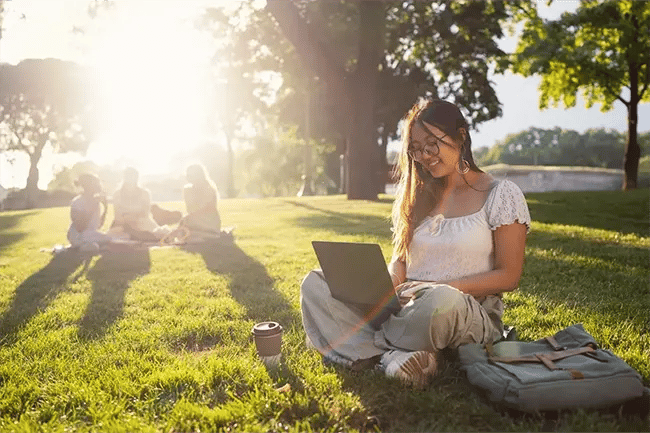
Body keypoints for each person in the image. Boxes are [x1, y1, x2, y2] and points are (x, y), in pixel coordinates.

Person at [300, 98, 531, 387]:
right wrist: (385, 288)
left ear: (460, 136)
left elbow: (508, 276)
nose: (424, 155)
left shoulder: (501, 193)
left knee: (440, 302)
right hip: (405, 305)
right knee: (315, 283)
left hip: (462, 308)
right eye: (416, 149)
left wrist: (438, 289)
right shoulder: (418, 196)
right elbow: (401, 260)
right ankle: (393, 358)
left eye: (431, 144)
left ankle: (356, 347)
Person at [109, 167, 169, 241]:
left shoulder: (145, 193)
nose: (131, 178)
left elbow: (145, 214)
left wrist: (134, 220)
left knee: (158, 235)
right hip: (122, 224)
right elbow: (117, 216)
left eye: (133, 176)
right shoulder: (117, 194)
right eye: (128, 176)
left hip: (141, 222)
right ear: (124, 178)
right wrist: (127, 220)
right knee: (117, 236)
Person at [67, 173, 112, 252]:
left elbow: (97, 227)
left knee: (110, 238)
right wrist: (92, 206)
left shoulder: (96, 202)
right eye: (96, 183)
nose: (99, 186)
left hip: (89, 235)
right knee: (109, 239)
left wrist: (105, 208)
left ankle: (91, 246)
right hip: (77, 236)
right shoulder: (77, 202)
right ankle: (84, 247)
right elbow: (80, 227)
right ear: (88, 186)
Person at [180, 163, 222, 241]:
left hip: (209, 221)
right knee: (183, 228)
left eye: (190, 175)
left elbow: (208, 209)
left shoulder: (208, 188)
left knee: (185, 228)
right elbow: (189, 210)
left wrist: (190, 218)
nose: (187, 177)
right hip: (195, 220)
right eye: (187, 174)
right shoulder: (188, 189)